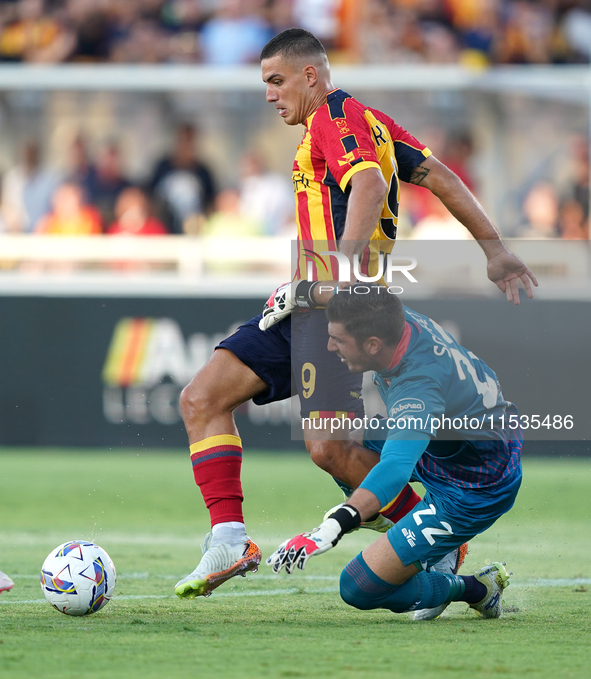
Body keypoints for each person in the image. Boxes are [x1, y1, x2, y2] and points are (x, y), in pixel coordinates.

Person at [174, 28, 537, 602]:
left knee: (330, 449)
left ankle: (432, 531)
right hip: (311, 302)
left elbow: (366, 185)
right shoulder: (373, 122)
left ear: (310, 76)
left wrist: (338, 270)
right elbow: (438, 177)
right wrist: (493, 247)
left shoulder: (334, 120)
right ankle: (230, 538)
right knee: (203, 399)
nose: (269, 95)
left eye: (275, 81)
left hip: (333, 307)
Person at [267, 286, 523, 620]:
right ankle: (422, 539)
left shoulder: (418, 385)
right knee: (330, 445)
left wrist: (337, 523)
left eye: (339, 341)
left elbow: (395, 468)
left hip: (472, 488)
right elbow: (351, 296)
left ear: (372, 344)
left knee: (358, 587)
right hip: (448, 446)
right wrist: (305, 292)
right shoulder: (392, 319)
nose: (331, 347)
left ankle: (476, 588)